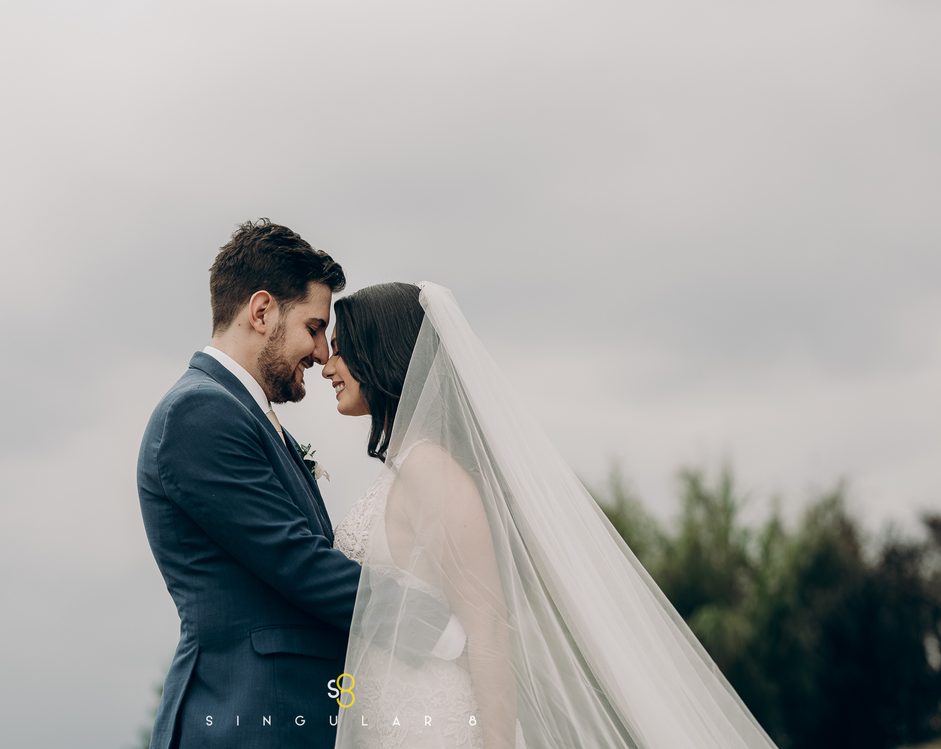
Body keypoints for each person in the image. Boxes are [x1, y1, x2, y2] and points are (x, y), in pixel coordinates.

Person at [325, 282, 780, 749]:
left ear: (379, 351)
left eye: (340, 350)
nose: (326, 367)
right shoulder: (404, 469)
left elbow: (488, 629)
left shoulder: (430, 469)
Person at [136, 223, 459, 749]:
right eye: (314, 328)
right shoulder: (199, 413)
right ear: (262, 312)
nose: (321, 352)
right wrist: (438, 626)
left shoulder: (240, 414)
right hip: (245, 714)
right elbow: (295, 558)